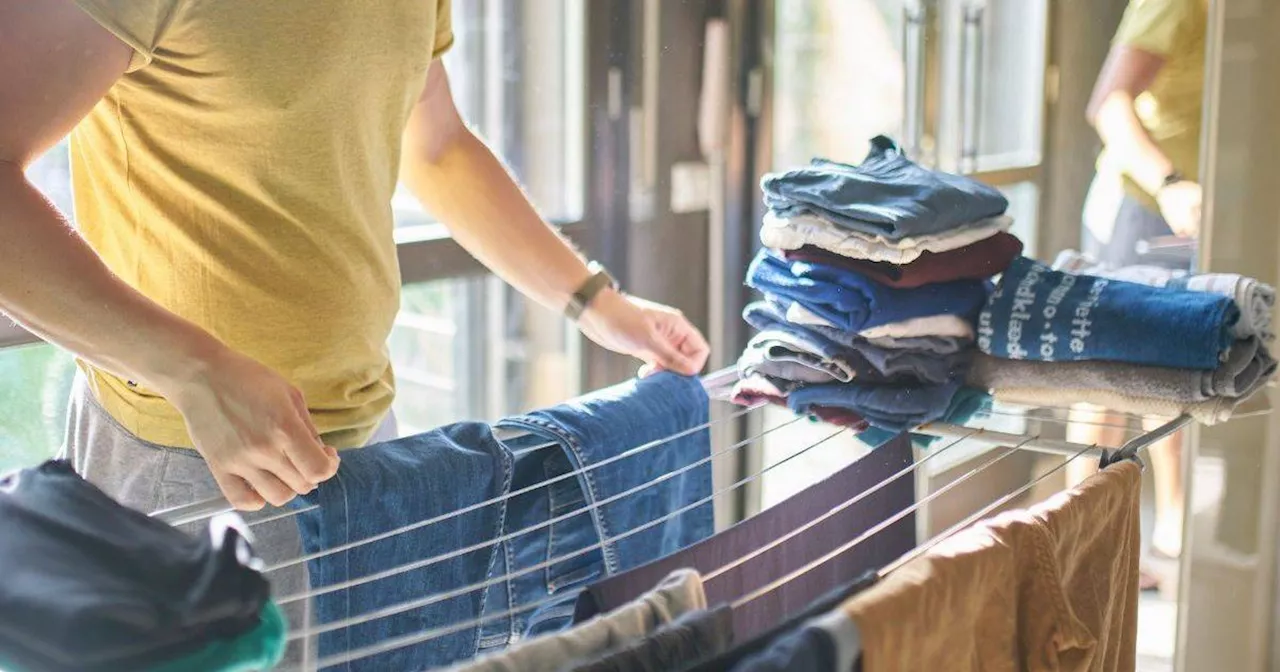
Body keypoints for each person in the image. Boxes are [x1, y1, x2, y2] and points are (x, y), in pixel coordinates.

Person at [0, 0, 710, 661]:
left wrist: (597, 303)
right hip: (192, 459)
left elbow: (437, 145)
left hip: (368, 446)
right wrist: (192, 370)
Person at [1075, 0, 1208, 591]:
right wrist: (1170, 183)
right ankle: (1081, 543)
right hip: (1142, 202)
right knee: (1105, 376)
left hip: (1198, 211)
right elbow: (1108, 102)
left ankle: (1173, 532)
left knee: (1176, 362)